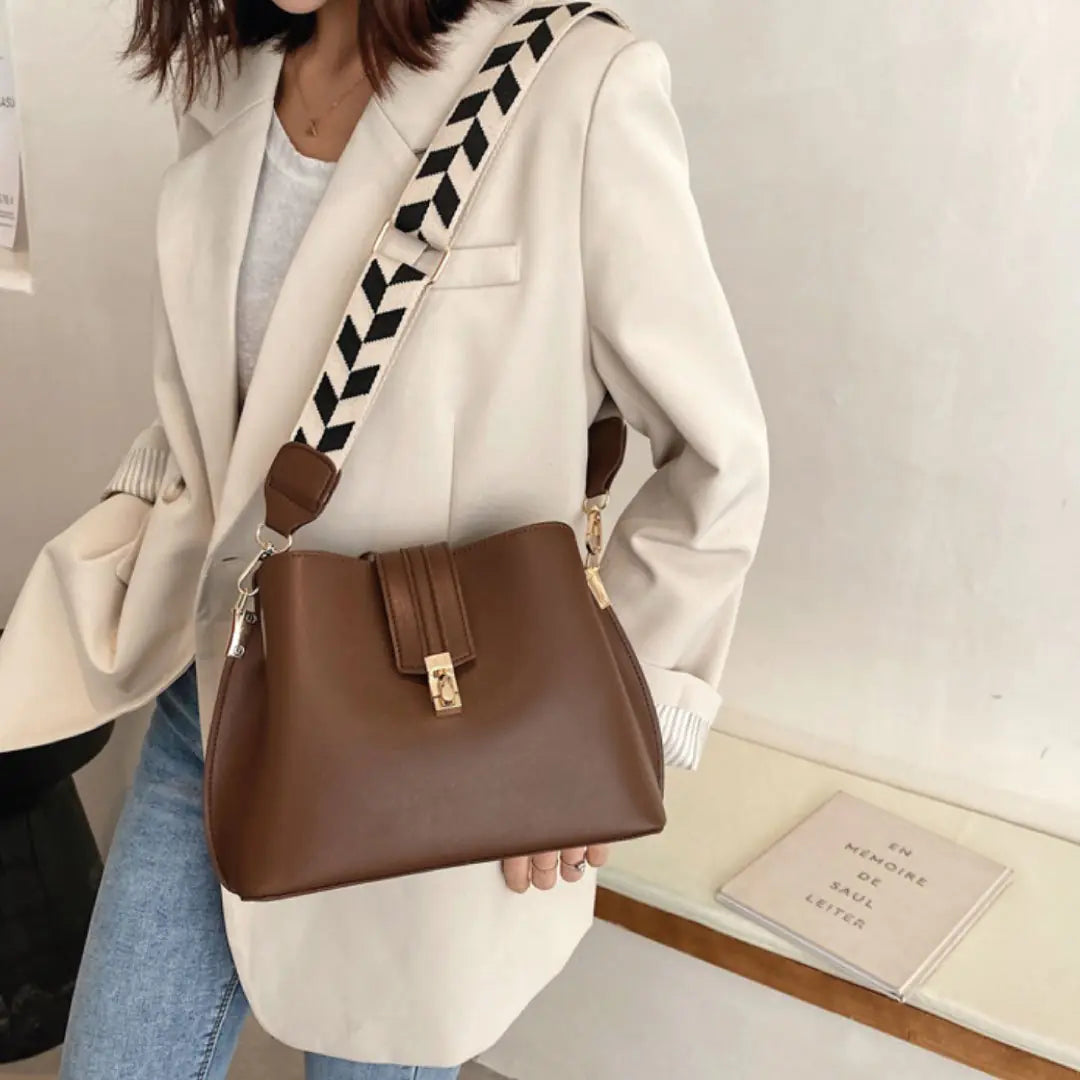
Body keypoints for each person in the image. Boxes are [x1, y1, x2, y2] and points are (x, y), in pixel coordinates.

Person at [0, 0, 769, 1076]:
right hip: (216, 703)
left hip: (433, 732)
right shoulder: (235, 78)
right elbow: (228, 410)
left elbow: (717, 456)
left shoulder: (574, 83)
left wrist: (592, 731)